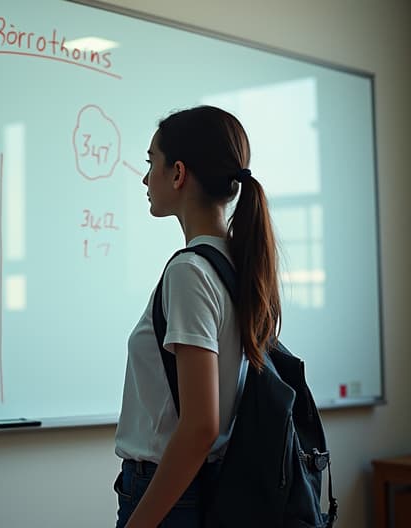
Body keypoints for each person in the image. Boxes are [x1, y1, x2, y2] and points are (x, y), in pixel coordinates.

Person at [113, 105, 281, 527]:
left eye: (152, 162)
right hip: (206, 485)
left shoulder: (190, 271)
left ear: (178, 173)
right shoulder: (235, 262)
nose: (145, 177)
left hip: (170, 492)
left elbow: (200, 426)